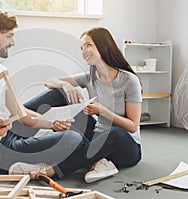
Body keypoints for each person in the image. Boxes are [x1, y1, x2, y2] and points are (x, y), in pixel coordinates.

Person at [0, 7, 88, 180]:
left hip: (7, 134)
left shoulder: (0, 70)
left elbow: (20, 113)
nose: (13, 43)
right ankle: (88, 158)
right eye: (9, 36)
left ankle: (86, 154)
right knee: (73, 139)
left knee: (58, 93)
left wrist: (52, 124)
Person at [11, 27, 142, 183]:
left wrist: (102, 111)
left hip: (125, 146)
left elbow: (133, 126)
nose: (84, 51)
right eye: (81, 48)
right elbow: (50, 81)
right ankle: (14, 128)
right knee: (65, 99)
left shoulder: (129, 80)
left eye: (88, 45)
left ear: (103, 45)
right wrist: (66, 86)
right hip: (96, 138)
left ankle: (51, 170)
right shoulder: (90, 77)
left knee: (114, 132)